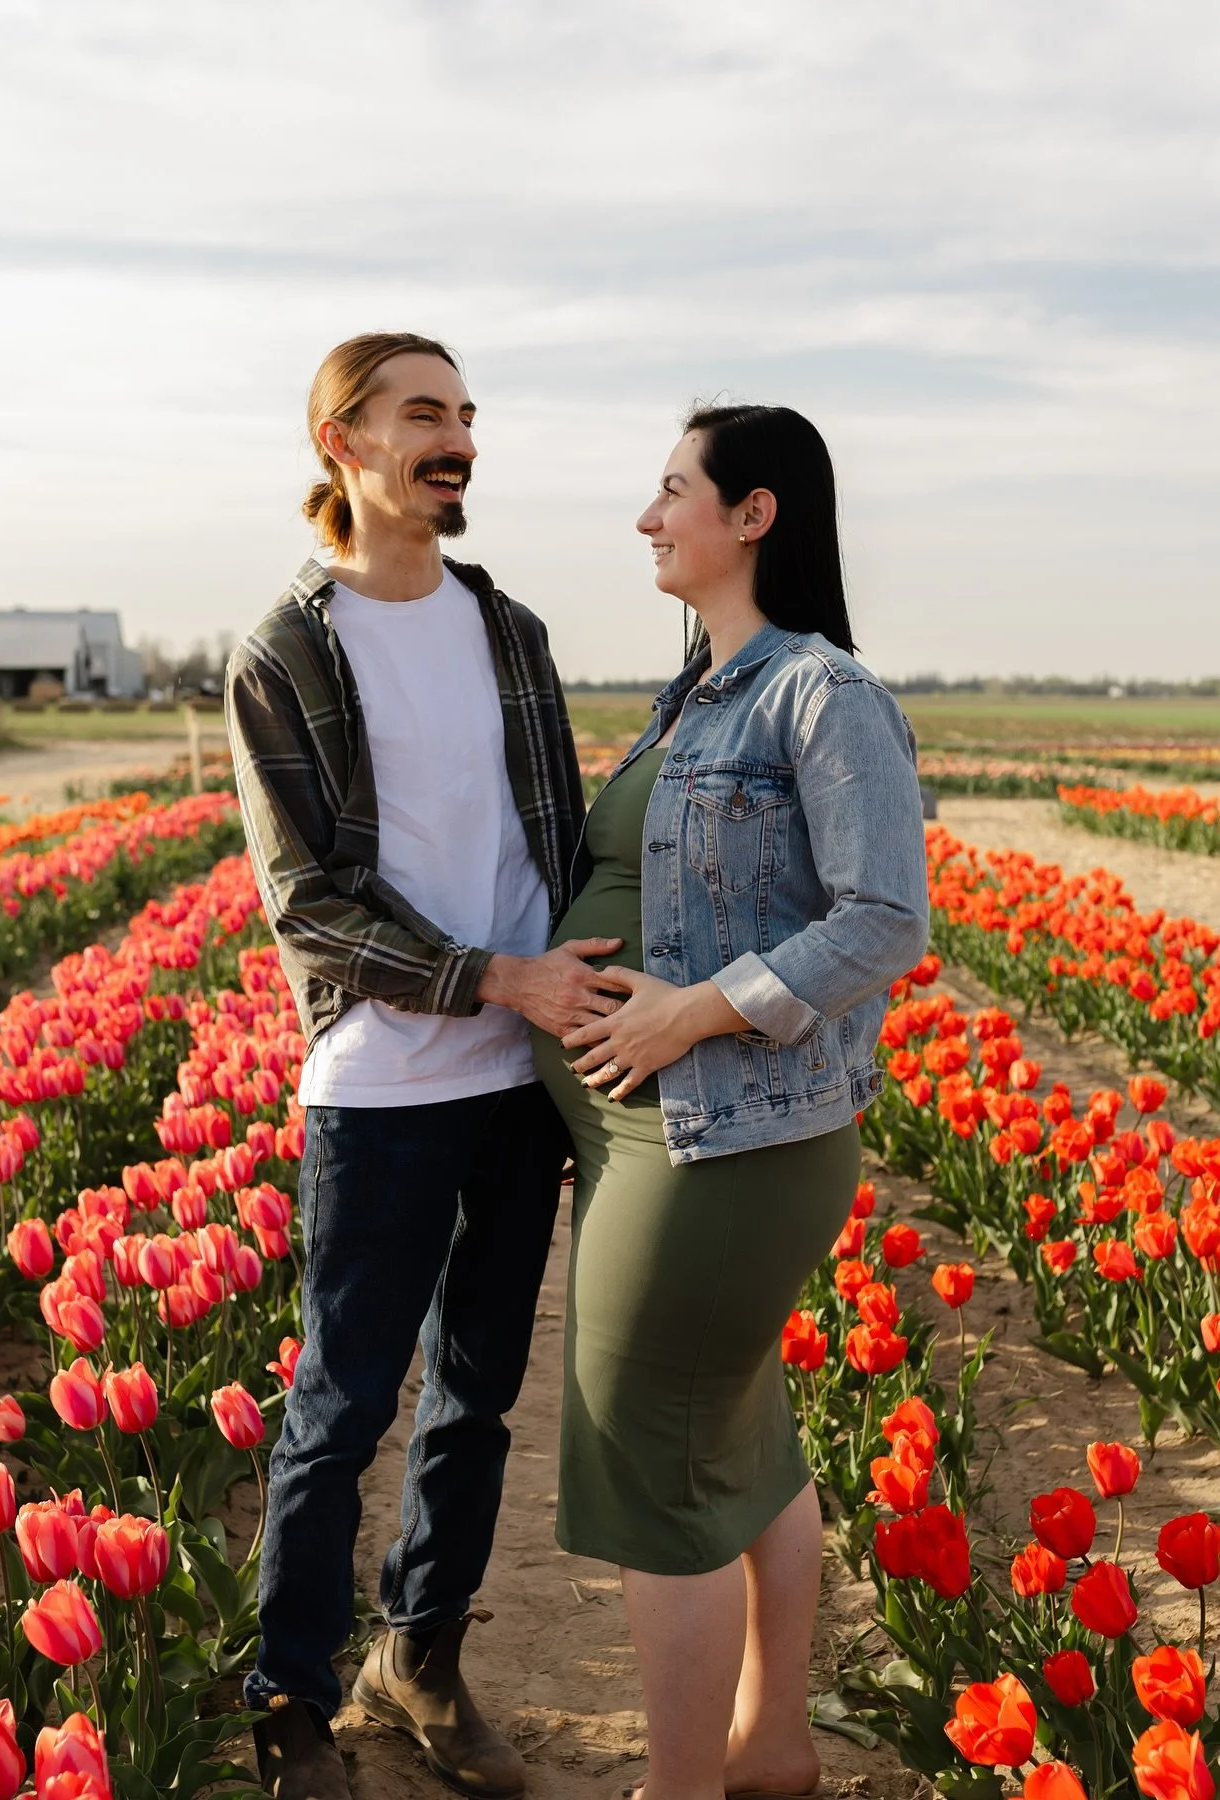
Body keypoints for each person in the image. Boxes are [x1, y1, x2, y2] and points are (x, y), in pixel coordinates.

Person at [226, 332, 620, 1800]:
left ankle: (423, 1654)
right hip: (385, 1086)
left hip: (518, 1081)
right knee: (339, 1407)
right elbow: (308, 904)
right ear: (341, 443)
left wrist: (570, 987)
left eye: (466, 414)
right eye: (423, 415)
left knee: (475, 1395)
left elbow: (553, 836)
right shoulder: (286, 650)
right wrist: (488, 976)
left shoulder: (504, 627)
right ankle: (290, 1695)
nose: (456, 438)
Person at [529, 404, 930, 1800]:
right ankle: (768, 1751)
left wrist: (686, 1010)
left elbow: (886, 919)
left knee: (657, 1472)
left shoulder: (820, 691)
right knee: (741, 1439)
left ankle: (681, 1787)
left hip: (723, 1134)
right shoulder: (698, 692)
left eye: (671, 491)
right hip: (661, 1128)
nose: (649, 519)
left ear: (753, 515)